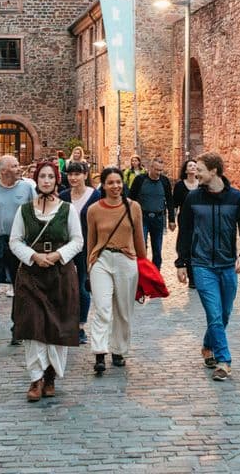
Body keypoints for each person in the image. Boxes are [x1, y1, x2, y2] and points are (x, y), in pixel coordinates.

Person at [175, 152, 240, 382]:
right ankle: (223, 361)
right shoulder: (193, 198)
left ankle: (208, 345)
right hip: (202, 266)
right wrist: (181, 262)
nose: (195, 173)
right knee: (214, 313)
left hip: (228, 265)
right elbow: (185, 231)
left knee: (225, 314)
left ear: (214, 171)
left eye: (200, 170)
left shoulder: (236, 198)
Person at [9, 161, 83, 402]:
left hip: (60, 274)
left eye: (51, 176)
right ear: (36, 179)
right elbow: (15, 241)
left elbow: (77, 240)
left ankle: (51, 375)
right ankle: (36, 377)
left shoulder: (67, 210)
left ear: (56, 179)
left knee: (57, 326)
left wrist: (57, 255)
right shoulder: (24, 210)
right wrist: (34, 256)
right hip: (32, 274)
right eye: (43, 176)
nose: (47, 180)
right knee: (33, 326)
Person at [86, 167, 147, 374]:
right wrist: (89, 264)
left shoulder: (133, 207)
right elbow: (91, 240)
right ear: (103, 185)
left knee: (123, 309)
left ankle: (119, 350)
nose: (115, 186)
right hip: (101, 259)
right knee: (102, 307)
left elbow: (139, 238)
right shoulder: (94, 210)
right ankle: (99, 352)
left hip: (126, 260)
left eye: (118, 182)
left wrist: (144, 264)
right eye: (110, 182)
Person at [0, 155, 35, 348]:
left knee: (21, 287)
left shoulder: (27, 188)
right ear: (3, 170)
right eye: (15, 166)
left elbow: (36, 214)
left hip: (19, 243)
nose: (19, 168)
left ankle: (18, 327)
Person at [58, 160, 101, 344]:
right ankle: (65, 322)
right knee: (65, 285)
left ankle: (80, 326)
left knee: (82, 285)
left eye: (77, 174)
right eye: (70, 174)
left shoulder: (95, 195)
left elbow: (99, 223)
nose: (73, 178)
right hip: (66, 247)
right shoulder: (63, 196)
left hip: (86, 247)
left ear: (85, 175)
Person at [128, 155, 175, 270]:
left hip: (158, 218)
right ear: (150, 167)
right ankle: (142, 272)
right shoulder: (140, 180)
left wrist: (172, 219)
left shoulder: (164, 181)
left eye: (160, 170)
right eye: (156, 169)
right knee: (141, 247)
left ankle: (155, 273)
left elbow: (170, 200)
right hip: (142, 218)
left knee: (157, 249)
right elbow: (130, 198)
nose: (158, 173)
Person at [172, 159, 199, 288]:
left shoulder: (202, 185)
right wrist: (171, 220)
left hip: (199, 219)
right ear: (186, 170)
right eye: (190, 165)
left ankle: (198, 274)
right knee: (186, 245)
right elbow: (175, 204)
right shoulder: (180, 185)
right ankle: (191, 276)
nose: (193, 167)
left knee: (198, 245)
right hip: (184, 219)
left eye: (195, 165)